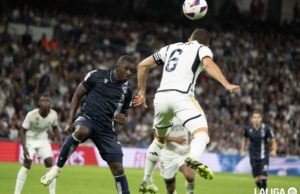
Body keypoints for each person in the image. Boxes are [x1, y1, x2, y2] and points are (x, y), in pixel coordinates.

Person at [134, 28, 240, 179]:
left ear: (190, 38)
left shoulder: (171, 47)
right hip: (181, 97)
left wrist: (142, 92)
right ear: (208, 45)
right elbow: (208, 64)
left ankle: (147, 179)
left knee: (159, 140)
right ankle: (192, 158)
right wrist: (226, 84)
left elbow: (142, 65)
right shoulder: (202, 49)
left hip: (161, 98)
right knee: (201, 134)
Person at [41, 55, 135, 194]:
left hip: (106, 129)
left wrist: (123, 120)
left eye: (131, 70)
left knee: (118, 169)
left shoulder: (128, 90)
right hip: (87, 118)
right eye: (125, 68)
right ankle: (57, 169)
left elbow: (124, 113)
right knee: (82, 131)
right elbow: (77, 95)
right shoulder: (96, 75)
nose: (128, 72)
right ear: (116, 67)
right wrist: (69, 120)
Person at [14, 94, 61, 194]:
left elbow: (55, 127)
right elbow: (22, 131)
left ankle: (53, 193)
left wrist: (60, 142)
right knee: (27, 164)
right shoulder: (31, 115)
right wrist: (25, 149)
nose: (45, 103)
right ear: (39, 103)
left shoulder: (53, 114)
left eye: (47, 101)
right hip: (30, 140)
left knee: (50, 163)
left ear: (50, 104)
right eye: (43, 101)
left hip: (43, 140)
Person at [139, 118, 187, 193]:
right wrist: (176, 139)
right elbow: (160, 137)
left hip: (153, 149)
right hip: (164, 152)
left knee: (147, 174)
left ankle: (148, 184)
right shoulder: (170, 119)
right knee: (170, 184)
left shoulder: (159, 117)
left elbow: (157, 135)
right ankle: (148, 184)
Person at [240, 110, 277, 192]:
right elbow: (244, 140)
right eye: (254, 117)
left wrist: (274, 150)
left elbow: (273, 140)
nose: (256, 119)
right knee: (256, 180)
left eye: (258, 117)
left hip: (264, 157)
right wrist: (242, 150)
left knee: (263, 178)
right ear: (252, 119)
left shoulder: (266, 128)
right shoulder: (247, 129)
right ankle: (264, 191)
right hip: (253, 157)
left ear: (261, 119)